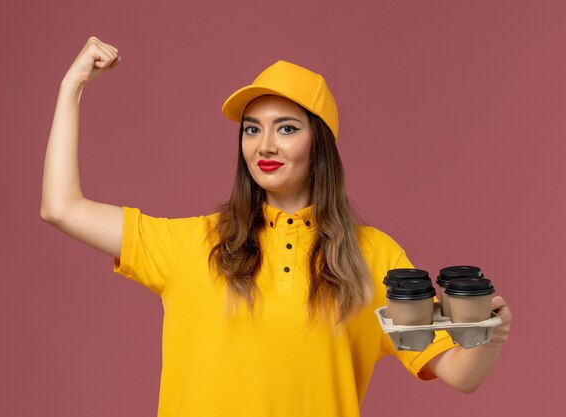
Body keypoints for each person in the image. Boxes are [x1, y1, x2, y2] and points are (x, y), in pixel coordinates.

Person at [40, 36, 512, 417]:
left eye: (286, 128)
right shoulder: (193, 243)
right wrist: (72, 86)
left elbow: (458, 373)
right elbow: (60, 207)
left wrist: (488, 333)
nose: (265, 144)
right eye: (251, 129)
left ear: (319, 143)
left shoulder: (373, 257)